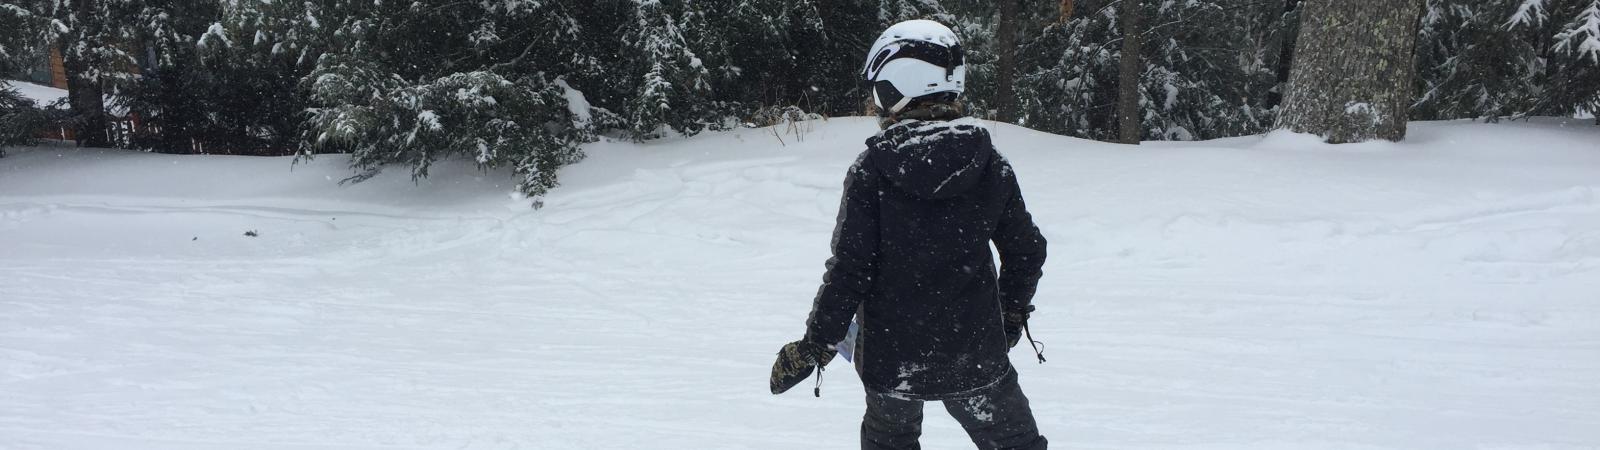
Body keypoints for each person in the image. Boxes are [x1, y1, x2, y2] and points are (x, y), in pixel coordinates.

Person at [769, 19, 1049, 450]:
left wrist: (815, 344)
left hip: (893, 362)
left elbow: (850, 271)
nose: (875, 101)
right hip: (975, 355)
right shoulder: (990, 162)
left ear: (898, 85)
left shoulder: (872, 170)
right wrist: (1008, 316)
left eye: (879, 89)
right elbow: (1026, 251)